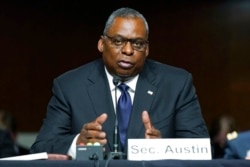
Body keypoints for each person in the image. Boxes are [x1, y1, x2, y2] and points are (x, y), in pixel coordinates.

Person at [30, 7, 209, 159]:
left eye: (137, 44)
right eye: (118, 41)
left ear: (147, 49)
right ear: (101, 44)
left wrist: (163, 149)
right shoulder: (69, 86)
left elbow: (202, 150)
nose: (128, 50)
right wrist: (78, 142)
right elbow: (40, 149)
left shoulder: (176, 84)